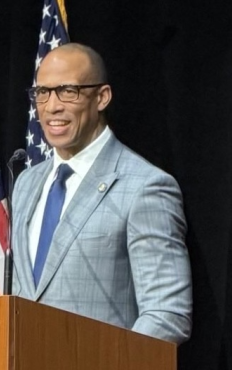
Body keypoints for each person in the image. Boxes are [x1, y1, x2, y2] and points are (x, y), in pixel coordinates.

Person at [12, 43, 192, 344]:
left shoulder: (145, 187)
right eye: (42, 92)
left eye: (68, 91)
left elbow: (167, 314)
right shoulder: (26, 183)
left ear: (102, 97)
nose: (52, 106)